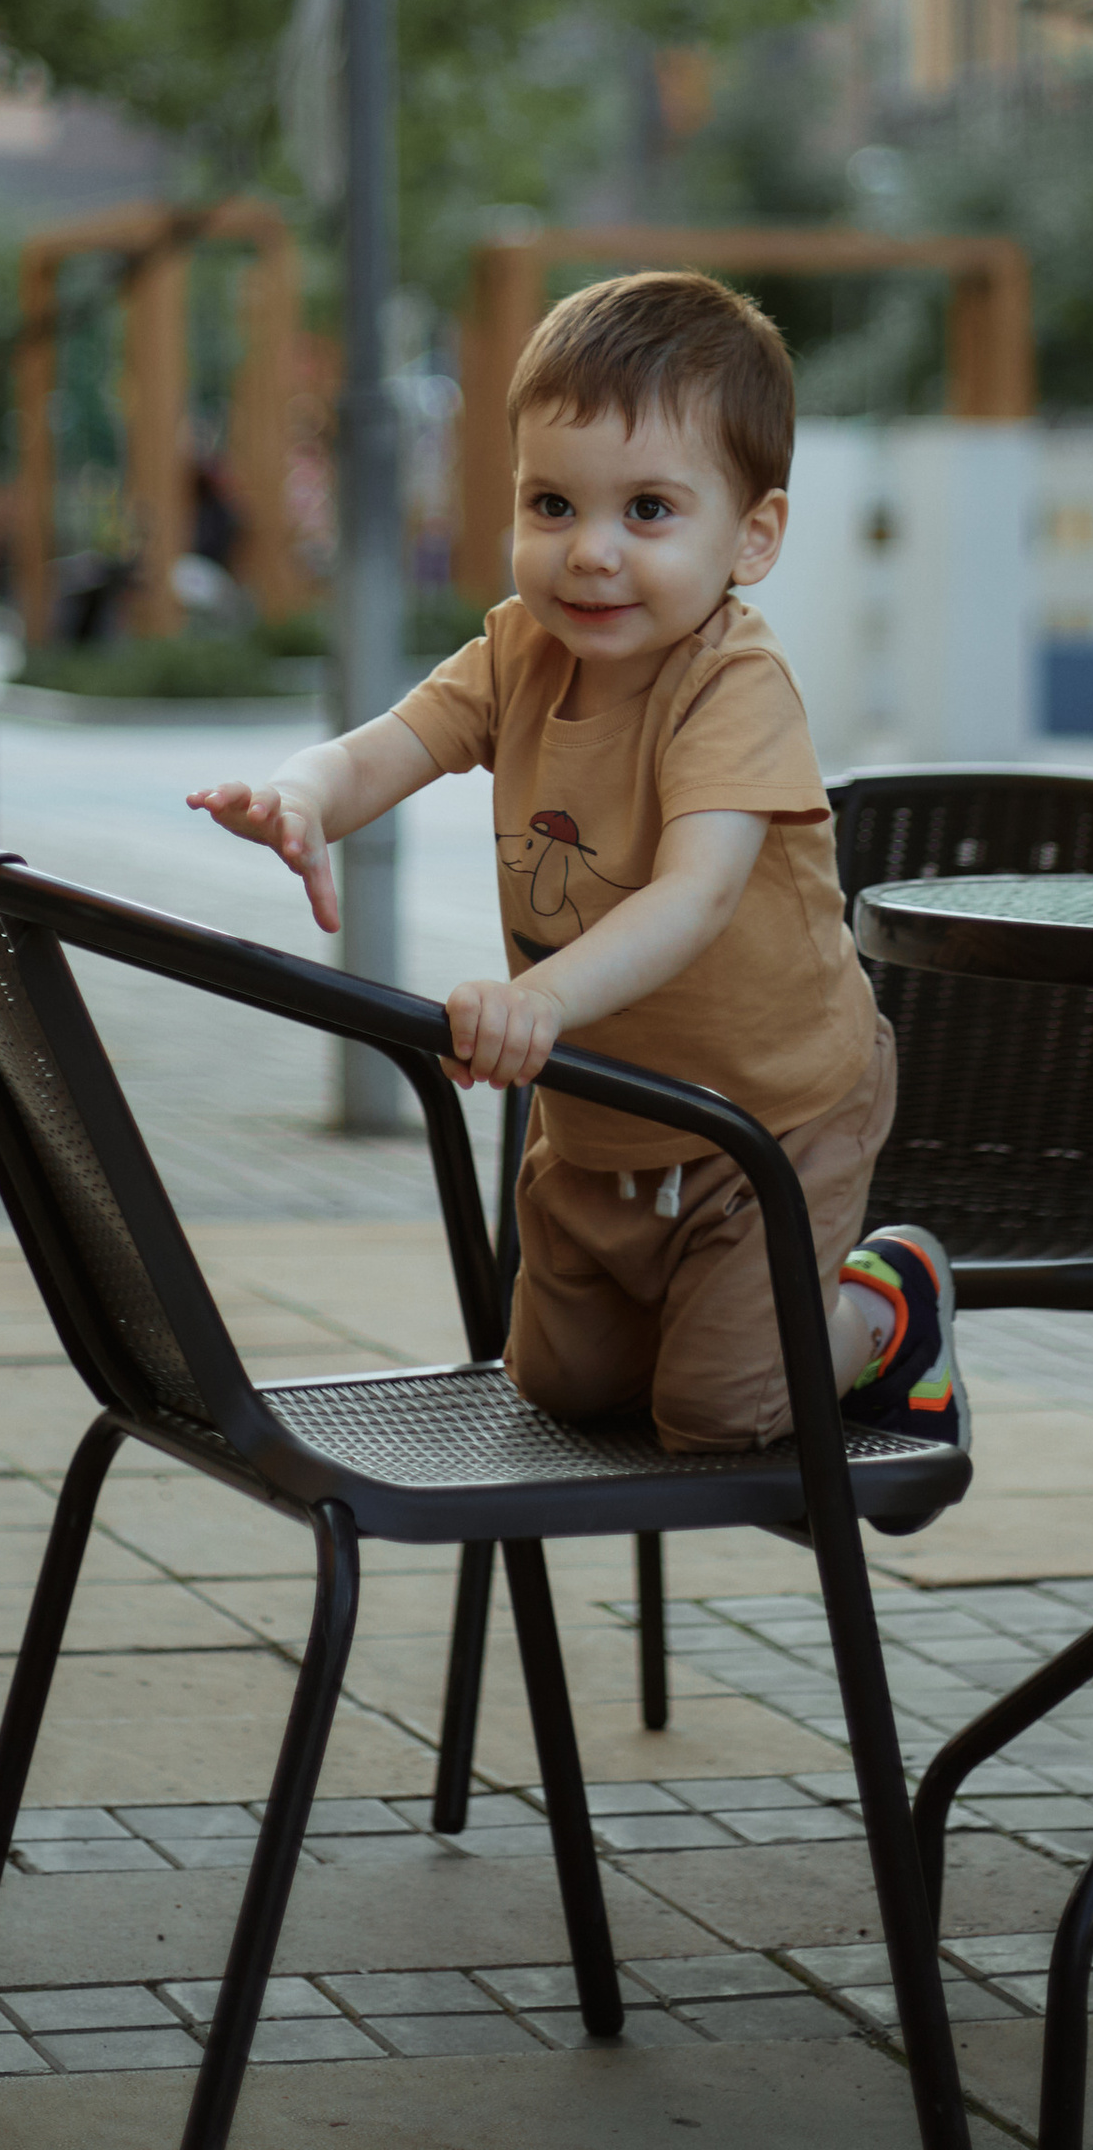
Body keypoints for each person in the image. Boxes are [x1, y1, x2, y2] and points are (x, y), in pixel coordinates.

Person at [190, 267, 966, 1463]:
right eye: (551, 505)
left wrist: (536, 1000)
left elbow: (696, 894)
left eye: (647, 510)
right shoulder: (517, 655)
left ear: (750, 537)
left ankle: (888, 1306)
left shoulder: (731, 683)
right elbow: (388, 745)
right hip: (606, 1120)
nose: (589, 553)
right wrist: (301, 794)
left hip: (776, 1113)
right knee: (560, 1388)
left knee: (722, 1416)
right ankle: (724, 1311)